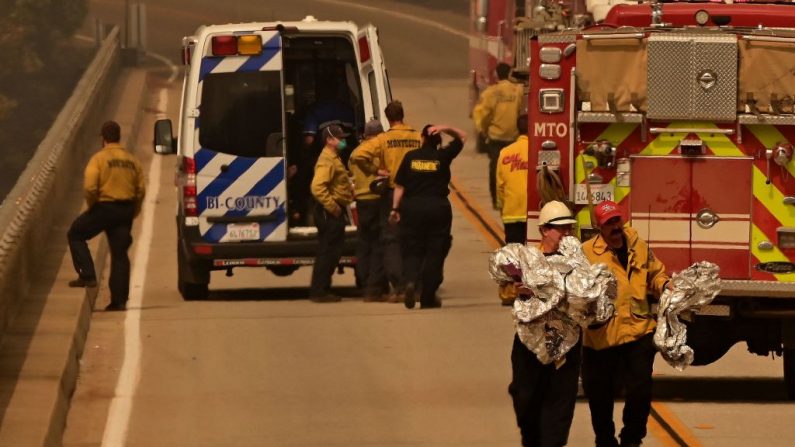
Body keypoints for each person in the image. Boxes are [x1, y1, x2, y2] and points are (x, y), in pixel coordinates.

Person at [581, 200, 671, 447]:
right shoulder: (586, 253)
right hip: (603, 337)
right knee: (599, 395)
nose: (615, 227)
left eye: (617, 220)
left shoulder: (638, 247)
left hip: (638, 331)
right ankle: (605, 440)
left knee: (641, 389)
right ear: (599, 227)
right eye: (608, 223)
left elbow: (655, 273)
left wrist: (665, 285)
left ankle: (632, 439)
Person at [508, 200, 581, 447]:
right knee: (524, 396)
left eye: (570, 228)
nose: (566, 234)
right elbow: (505, 289)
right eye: (561, 229)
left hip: (565, 342)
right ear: (544, 230)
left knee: (559, 404)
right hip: (529, 340)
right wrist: (516, 289)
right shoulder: (527, 260)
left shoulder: (579, 263)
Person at [67, 121, 146, 312]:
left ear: (103, 138)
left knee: (76, 233)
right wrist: (133, 211)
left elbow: (90, 187)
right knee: (120, 254)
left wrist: (93, 206)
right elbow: (141, 189)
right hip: (125, 209)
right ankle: (119, 301)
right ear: (118, 136)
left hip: (104, 207)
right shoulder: (131, 160)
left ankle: (87, 275)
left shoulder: (99, 159)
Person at [348, 100, 421, 302]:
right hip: (414, 193)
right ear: (403, 115)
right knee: (413, 239)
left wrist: (376, 170)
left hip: (391, 193)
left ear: (388, 118)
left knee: (391, 240)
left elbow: (358, 156)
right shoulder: (416, 136)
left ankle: (397, 286)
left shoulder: (383, 139)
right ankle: (415, 284)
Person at [389, 124, 466, 309]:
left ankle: (410, 282)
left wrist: (394, 209)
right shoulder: (442, 156)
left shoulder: (410, 157)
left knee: (412, 249)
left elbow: (400, 187)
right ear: (438, 140)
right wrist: (447, 127)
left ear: (422, 138)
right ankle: (427, 297)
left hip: (412, 209)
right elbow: (462, 136)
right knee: (435, 252)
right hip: (437, 208)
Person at [309, 124, 354, 302]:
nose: (343, 141)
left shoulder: (334, 157)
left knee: (331, 252)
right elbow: (317, 187)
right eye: (340, 138)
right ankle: (319, 291)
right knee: (328, 252)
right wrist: (333, 206)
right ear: (329, 140)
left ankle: (322, 288)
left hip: (334, 209)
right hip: (329, 212)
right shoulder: (327, 159)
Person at [472, 62, 523, 209]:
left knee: (495, 169)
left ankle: (496, 200)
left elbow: (481, 113)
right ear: (509, 74)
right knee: (514, 168)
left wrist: (482, 130)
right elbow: (521, 110)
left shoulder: (490, 93)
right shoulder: (517, 90)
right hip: (513, 138)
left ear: (496, 75)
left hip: (496, 138)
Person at [348, 119, 388, 302]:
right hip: (377, 200)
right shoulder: (380, 151)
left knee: (364, 243)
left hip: (361, 201)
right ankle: (376, 285)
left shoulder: (355, 153)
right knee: (379, 244)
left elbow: (351, 175)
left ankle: (363, 282)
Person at [495, 114, 529, 306]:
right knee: (533, 253)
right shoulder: (538, 150)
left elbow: (500, 185)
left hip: (511, 211)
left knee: (512, 254)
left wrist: (502, 207)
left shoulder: (505, 153)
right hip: (534, 212)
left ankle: (512, 289)